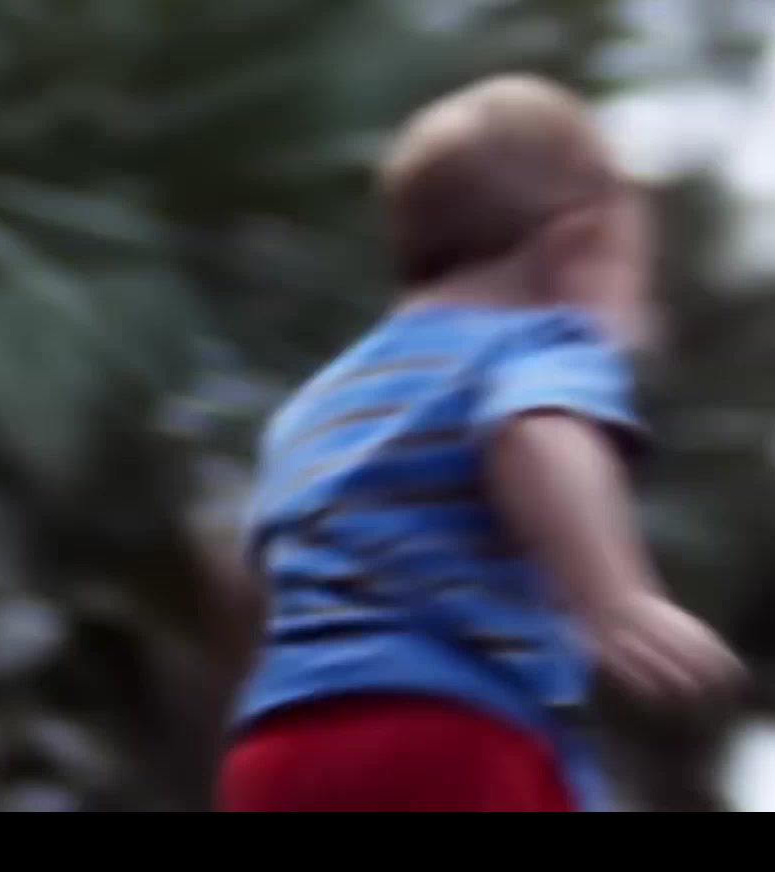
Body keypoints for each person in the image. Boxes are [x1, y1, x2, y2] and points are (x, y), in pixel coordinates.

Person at [214, 74, 743, 812]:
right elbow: (535, 429)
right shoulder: (538, 342)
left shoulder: (316, 405)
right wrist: (614, 598)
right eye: (633, 276)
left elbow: (258, 572)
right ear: (574, 247)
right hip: (452, 731)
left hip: (276, 751)